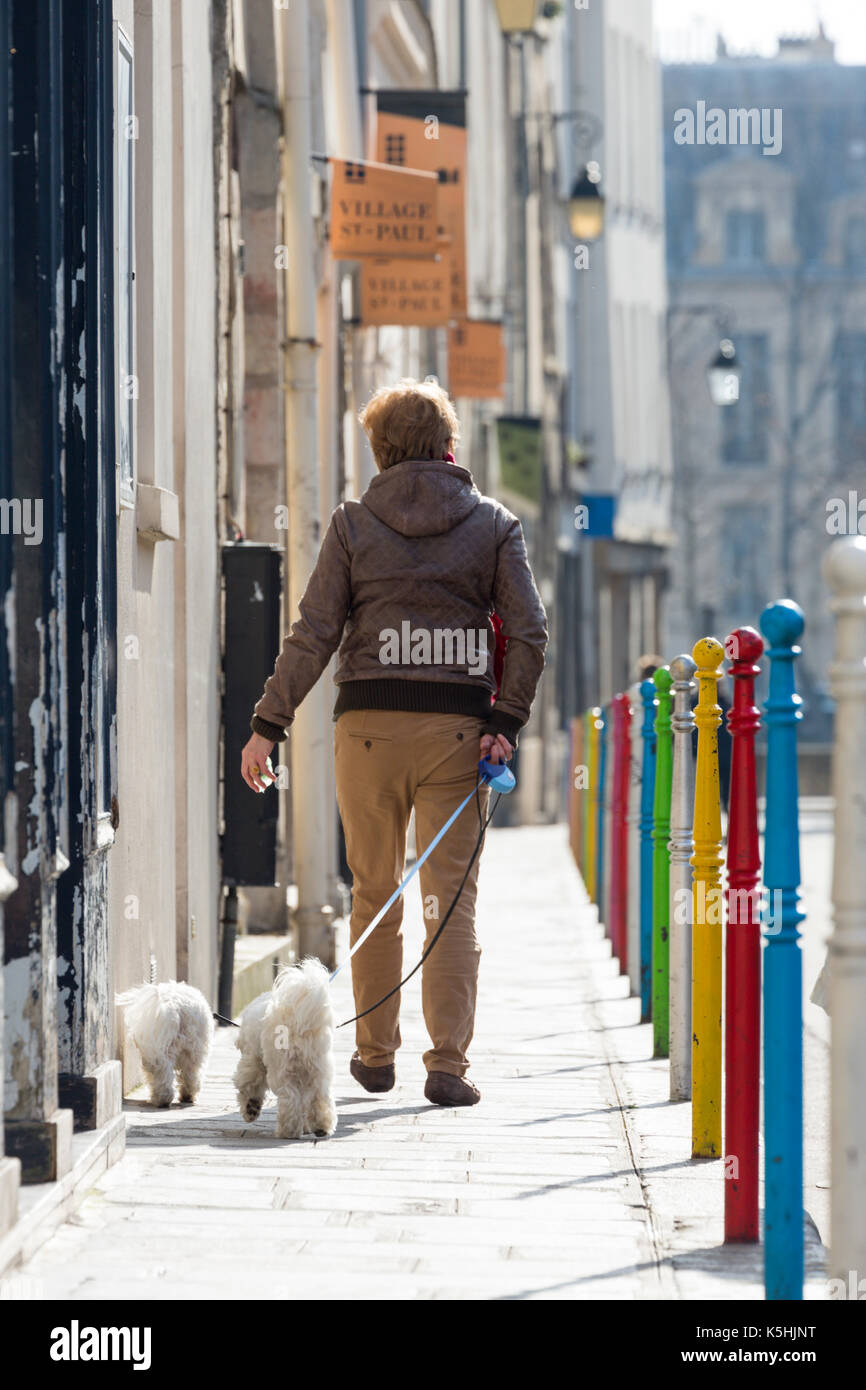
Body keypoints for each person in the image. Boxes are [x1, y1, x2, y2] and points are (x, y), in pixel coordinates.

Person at [241, 379, 548, 1108]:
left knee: (374, 893)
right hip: (457, 734)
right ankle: (447, 1065)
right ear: (448, 447)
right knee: (450, 903)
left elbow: (314, 632)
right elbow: (531, 633)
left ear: (379, 448)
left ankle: (374, 1054)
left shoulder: (352, 524)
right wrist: (503, 723)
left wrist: (267, 725)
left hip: (368, 732)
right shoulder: (495, 525)